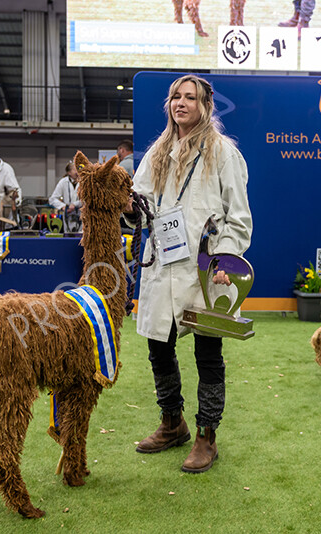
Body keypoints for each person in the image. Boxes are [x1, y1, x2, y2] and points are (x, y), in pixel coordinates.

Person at [129, 74, 252, 473]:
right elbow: (140, 201)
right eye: (175, 97)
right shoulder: (157, 152)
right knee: (158, 345)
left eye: (190, 98)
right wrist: (118, 202)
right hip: (163, 260)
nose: (180, 103)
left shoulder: (223, 153)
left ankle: (206, 435)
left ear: (205, 105)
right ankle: (172, 423)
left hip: (205, 269)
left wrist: (226, 261)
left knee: (207, 350)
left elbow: (239, 217)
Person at [49, 161, 82, 232]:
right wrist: (63, 206)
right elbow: (52, 199)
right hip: (68, 215)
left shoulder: (83, 182)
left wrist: (75, 204)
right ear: (69, 172)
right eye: (75, 169)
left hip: (81, 215)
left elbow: (87, 199)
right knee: (68, 235)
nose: (77, 171)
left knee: (81, 237)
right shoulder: (63, 182)